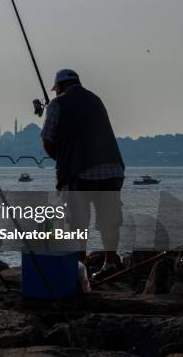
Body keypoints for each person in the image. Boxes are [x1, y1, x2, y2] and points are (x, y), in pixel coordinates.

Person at [41, 69, 125, 281]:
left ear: (59, 87)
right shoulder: (95, 99)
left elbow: (48, 140)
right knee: (109, 221)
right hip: (112, 168)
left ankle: (80, 268)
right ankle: (110, 264)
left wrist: (63, 161)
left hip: (81, 172)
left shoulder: (57, 103)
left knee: (77, 222)